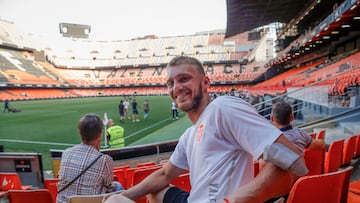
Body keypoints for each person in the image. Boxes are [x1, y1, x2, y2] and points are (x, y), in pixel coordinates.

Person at [104, 56, 305, 203]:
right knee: (153, 193)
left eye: (184, 79)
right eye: (171, 83)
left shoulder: (223, 108)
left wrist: (235, 200)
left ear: (206, 82)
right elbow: (165, 174)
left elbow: (292, 160)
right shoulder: (189, 135)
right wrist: (122, 194)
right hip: (194, 199)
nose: (176, 88)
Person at [57, 113, 122, 203]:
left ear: (80, 133)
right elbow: (107, 186)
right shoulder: (105, 160)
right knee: (117, 186)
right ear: (99, 135)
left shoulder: (66, 153)